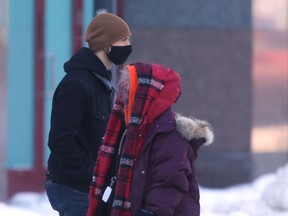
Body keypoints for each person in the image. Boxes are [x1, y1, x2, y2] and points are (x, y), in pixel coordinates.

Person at [87, 62, 214, 216]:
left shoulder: (169, 133)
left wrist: (150, 212)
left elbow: (170, 181)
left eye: (130, 90)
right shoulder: (134, 129)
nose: (124, 97)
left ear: (145, 95)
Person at [44, 13, 132, 216]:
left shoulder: (100, 82)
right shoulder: (77, 84)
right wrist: (93, 175)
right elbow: (60, 140)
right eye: (124, 39)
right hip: (73, 187)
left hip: (87, 187)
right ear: (106, 44)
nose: (128, 45)